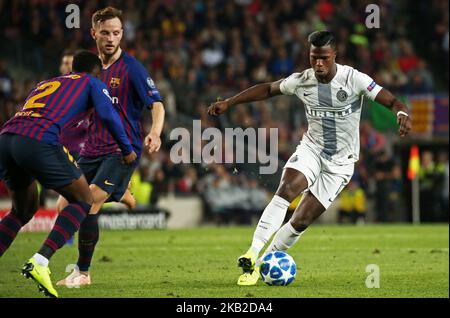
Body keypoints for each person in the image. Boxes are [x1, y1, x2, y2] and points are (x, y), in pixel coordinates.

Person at [207, 30, 412, 286]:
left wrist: (402, 113)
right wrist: (230, 102)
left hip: (341, 163)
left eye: (324, 58)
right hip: (311, 150)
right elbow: (268, 89)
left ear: (334, 55)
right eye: (314, 57)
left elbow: (392, 100)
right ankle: (253, 251)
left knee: (301, 220)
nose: (318, 64)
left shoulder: (354, 79)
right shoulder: (302, 80)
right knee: (286, 189)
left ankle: (259, 268)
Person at [0, 50, 137, 297]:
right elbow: (108, 114)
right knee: (83, 199)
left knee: (22, 210)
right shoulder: (92, 82)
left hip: (7, 139)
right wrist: (126, 149)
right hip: (37, 141)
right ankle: (40, 262)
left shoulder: (48, 82)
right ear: (98, 72)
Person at [57, 6, 165, 287]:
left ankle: (83, 273)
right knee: (62, 205)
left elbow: (157, 104)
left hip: (122, 149)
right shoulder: (90, 70)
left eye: (116, 33)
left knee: (89, 203)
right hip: (91, 149)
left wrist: (155, 132)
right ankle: (121, 193)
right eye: (105, 32)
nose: (111, 38)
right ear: (94, 33)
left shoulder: (132, 69)